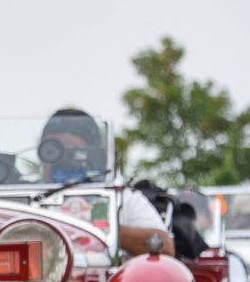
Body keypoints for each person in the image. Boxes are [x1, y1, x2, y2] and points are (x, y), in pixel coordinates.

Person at [39, 109, 173, 257]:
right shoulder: (28, 201)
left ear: (91, 154)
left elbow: (165, 249)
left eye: (71, 152)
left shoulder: (122, 198)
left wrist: (104, 231)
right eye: (51, 151)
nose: (61, 161)